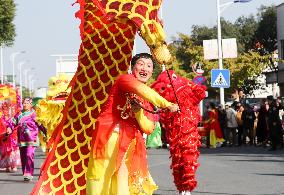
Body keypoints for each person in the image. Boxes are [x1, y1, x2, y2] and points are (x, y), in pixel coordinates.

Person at [86, 53, 179, 195]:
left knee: (123, 178)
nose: (145, 68)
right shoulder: (125, 80)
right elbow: (142, 90)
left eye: (149, 66)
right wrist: (167, 104)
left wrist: (138, 113)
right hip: (109, 135)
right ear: (132, 67)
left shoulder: (147, 100)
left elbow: (148, 128)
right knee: (100, 174)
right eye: (141, 64)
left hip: (130, 143)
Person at [7, 97, 39, 181]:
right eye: (24, 103)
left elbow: (40, 124)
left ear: (31, 104)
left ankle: (28, 173)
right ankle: (25, 172)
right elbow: (12, 122)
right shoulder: (19, 113)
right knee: (23, 157)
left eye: (27, 103)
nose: (25, 104)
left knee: (29, 155)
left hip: (32, 138)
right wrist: (9, 128)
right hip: (22, 139)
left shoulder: (34, 114)